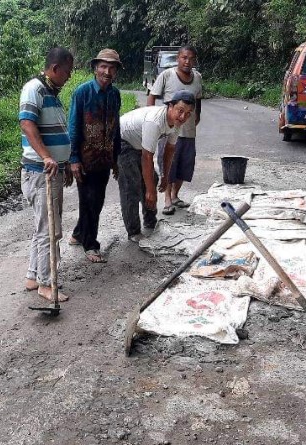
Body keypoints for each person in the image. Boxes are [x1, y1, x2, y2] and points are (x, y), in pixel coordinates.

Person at [18, 47, 74, 302]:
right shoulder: (34, 88)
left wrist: (63, 163)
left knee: (43, 226)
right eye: (68, 71)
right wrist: (47, 157)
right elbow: (27, 124)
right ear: (55, 69)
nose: (69, 76)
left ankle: (33, 276)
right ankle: (46, 283)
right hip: (41, 172)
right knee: (50, 230)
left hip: (52, 170)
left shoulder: (51, 92)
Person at [67, 49, 123, 263]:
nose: (107, 71)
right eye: (103, 66)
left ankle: (79, 233)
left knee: (93, 200)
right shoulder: (82, 93)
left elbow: (116, 128)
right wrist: (73, 158)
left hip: (105, 158)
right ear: (95, 68)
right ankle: (91, 244)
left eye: (112, 68)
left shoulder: (115, 94)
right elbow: (74, 127)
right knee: (91, 200)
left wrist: (116, 158)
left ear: (116, 71)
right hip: (85, 158)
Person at [118, 90, 196, 242]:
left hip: (138, 143)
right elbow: (147, 157)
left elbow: (170, 149)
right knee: (132, 185)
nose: (183, 117)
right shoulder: (155, 121)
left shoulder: (176, 122)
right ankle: (133, 231)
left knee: (151, 179)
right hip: (121, 141)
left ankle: (150, 222)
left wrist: (165, 176)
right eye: (180, 111)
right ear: (170, 106)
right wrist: (150, 191)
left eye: (188, 113)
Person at [147, 45, 203, 215]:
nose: (188, 61)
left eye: (191, 58)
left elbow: (198, 99)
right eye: (184, 57)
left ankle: (175, 195)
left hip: (189, 130)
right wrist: (151, 117)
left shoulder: (198, 77)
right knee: (168, 164)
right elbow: (152, 96)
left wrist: (197, 115)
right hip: (168, 129)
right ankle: (167, 200)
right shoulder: (167, 75)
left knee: (185, 164)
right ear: (178, 58)